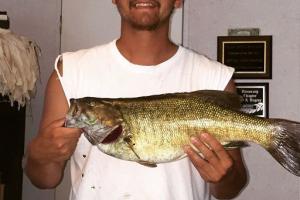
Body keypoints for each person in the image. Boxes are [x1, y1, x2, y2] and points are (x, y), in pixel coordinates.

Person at [25, 0, 247, 199]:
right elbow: (45, 180)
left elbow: (230, 188)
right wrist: (38, 154)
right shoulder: (70, 71)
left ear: (178, 1)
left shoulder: (215, 78)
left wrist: (224, 177)